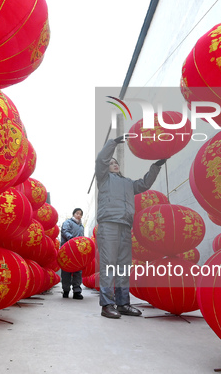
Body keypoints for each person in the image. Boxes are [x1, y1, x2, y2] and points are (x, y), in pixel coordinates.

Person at [95, 136, 166, 318]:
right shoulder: (103, 178)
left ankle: (123, 304)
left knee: (123, 267)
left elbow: (144, 184)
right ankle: (107, 305)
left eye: (116, 162)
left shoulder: (128, 183)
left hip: (125, 226)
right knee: (109, 266)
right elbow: (101, 160)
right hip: (109, 224)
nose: (114, 164)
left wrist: (156, 166)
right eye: (111, 163)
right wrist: (113, 142)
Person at [60, 208, 86, 300]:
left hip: (77, 251)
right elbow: (65, 231)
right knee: (66, 270)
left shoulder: (81, 227)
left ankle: (77, 291)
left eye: (80, 214)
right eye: (77, 213)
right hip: (67, 250)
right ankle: (66, 290)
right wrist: (73, 240)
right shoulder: (68, 223)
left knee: (78, 271)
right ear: (73, 214)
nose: (78, 215)